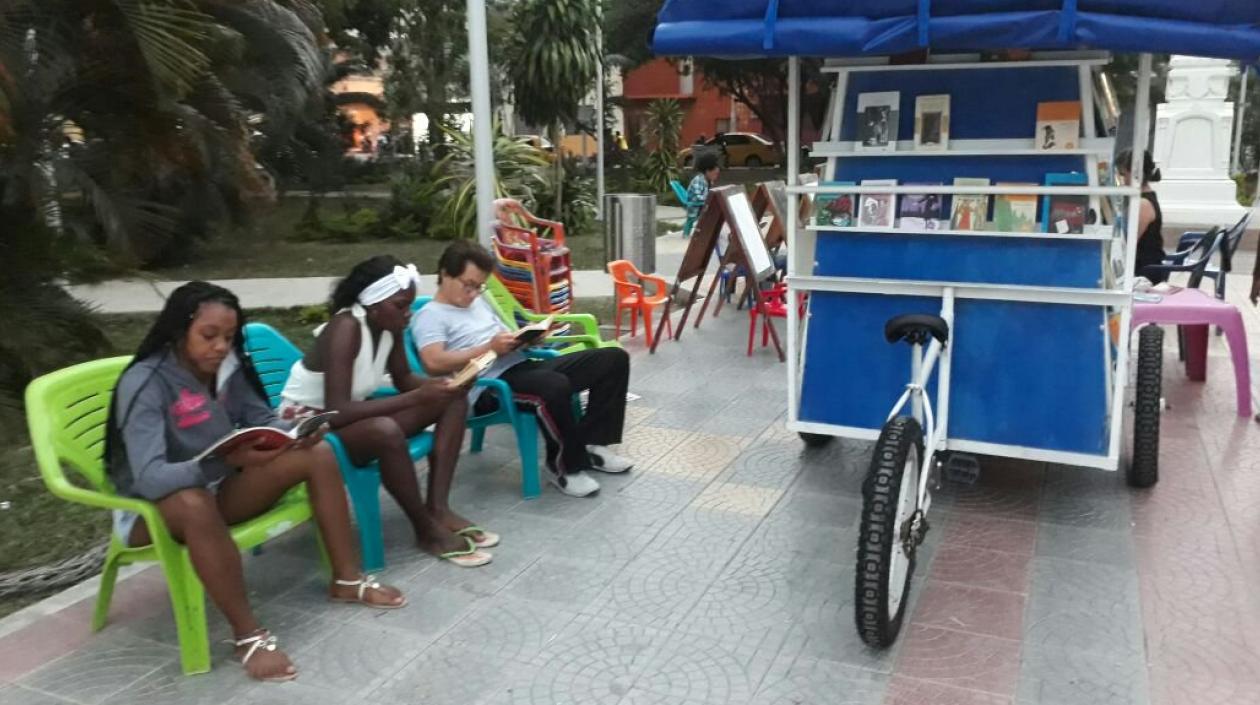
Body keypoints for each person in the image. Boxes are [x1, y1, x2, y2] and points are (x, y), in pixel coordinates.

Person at [107, 282, 405, 683]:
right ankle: (247, 634)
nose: (220, 347)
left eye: (228, 337)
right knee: (193, 502)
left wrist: (294, 430)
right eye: (208, 336)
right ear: (179, 331)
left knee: (317, 453)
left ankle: (347, 579)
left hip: (220, 484)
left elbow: (260, 418)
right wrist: (220, 462)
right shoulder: (146, 382)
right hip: (153, 509)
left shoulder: (227, 368)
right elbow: (149, 476)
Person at [280, 255, 494, 566]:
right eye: (400, 305)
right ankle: (425, 530)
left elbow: (404, 378)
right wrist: (420, 395)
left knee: (453, 400)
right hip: (310, 429)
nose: (407, 313)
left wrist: (446, 386)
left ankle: (437, 508)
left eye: (408, 305)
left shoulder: (389, 323)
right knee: (384, 430)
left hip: (348, 418)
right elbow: (336, 409)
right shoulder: (345, 328)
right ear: (372, 303)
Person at [413, 242, 634, 498]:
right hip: (488, 386)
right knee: (552, 386)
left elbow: (500, 339)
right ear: (444, 274)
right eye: (468, 284)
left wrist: (527, 339)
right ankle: (562, 466)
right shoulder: (431, 315)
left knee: (613, 359)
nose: (474, 293)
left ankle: (592, 444)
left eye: (479, 286)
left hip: (522, 365)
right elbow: (433, 362)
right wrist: (490, 348)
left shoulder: (478, 304)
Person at [1117, 150, 1166, 283]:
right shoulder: (1143, 199)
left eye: (1123, 174)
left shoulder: (1142, 204)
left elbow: (1128, 242)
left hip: (1144, 272)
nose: (1121, 180)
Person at [686, 152, 721, 237]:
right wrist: (709, 199)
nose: (716, 176)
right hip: (695, 207)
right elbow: (697, 196)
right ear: (707, 171)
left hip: (701, 205)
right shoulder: (699, 180)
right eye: (715, 173)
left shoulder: (706, 180)